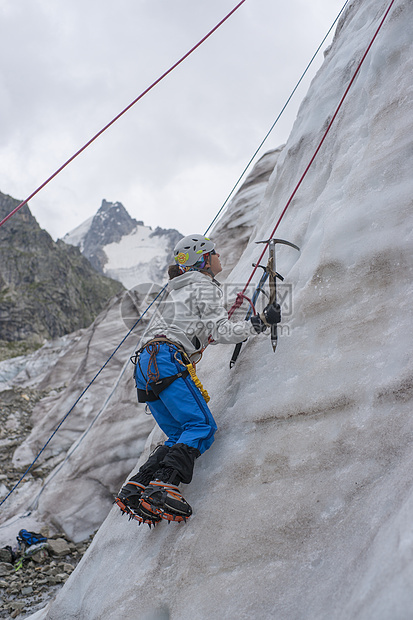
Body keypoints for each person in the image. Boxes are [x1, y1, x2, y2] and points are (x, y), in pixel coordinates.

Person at [115, 234, 281, 525]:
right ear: (203, 259)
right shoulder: (203, 286)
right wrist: (260, 322)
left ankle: (137, 486)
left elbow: (204, 333)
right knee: (201, 426)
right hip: (167, 359)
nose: (219, 256)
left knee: (179, 433)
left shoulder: (175, 291)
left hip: (145, 364)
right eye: (213, 252)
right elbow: (219, 331)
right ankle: (163, 487)